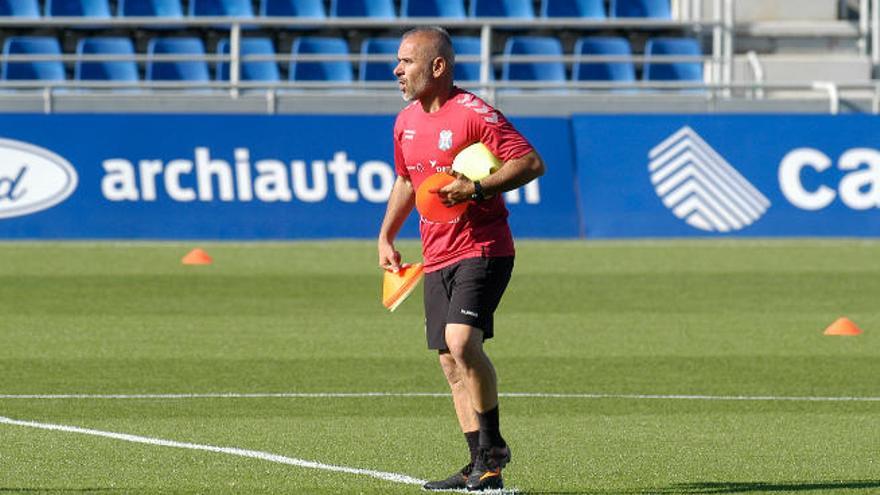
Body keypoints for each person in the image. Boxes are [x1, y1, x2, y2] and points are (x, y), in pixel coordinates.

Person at [377, 26, 545, 492]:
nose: (397, 70)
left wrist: (475, 188)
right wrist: (386, 236)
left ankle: (493, 447)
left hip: (484, 247)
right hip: (436, 254)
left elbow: (530, 162)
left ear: (438, 66)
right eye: (398, 61)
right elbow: (407, 182)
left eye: (406, 61)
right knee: (449, 361)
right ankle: (480, 465)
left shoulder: (474, 114)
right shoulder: (405, 122)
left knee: (462, 340)